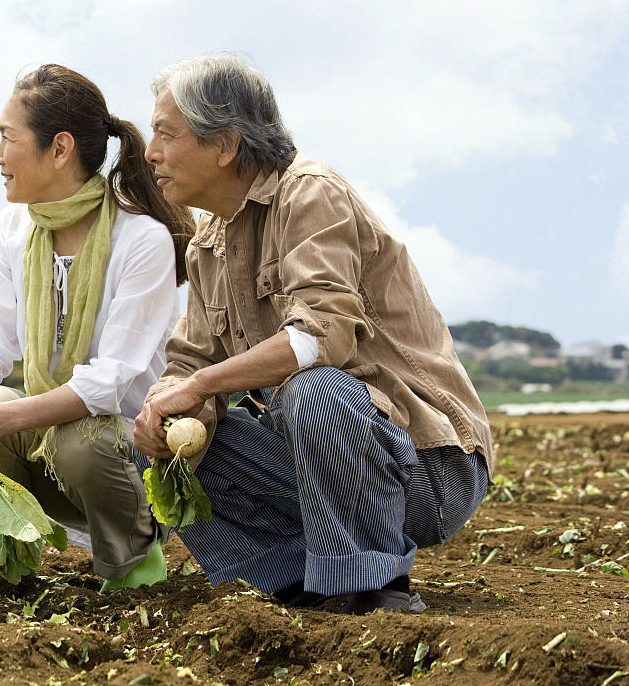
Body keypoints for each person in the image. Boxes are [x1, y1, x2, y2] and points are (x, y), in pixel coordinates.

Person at [133, 53, 492, 613]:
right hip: (313, 466)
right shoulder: (209, 241)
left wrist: (201, 384)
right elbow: (187, 361)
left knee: (314, 388)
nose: (150, 152)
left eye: (164, 134)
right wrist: (177, 408)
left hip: (427, 469)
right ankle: (299, 583)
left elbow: (320, 337)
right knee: (154, 434)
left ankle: (371, 585)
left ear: (224, 145)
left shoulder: (310, 193)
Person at [0, 64, 196, 591]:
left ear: (59, 149)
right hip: (49, 445)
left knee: (76, 439)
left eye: (7, 139)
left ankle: (133, 564)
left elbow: (110, 382)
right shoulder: (13, 229)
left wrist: (2, 419)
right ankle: (8, 566)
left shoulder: (141, 241)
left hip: (124, 459)